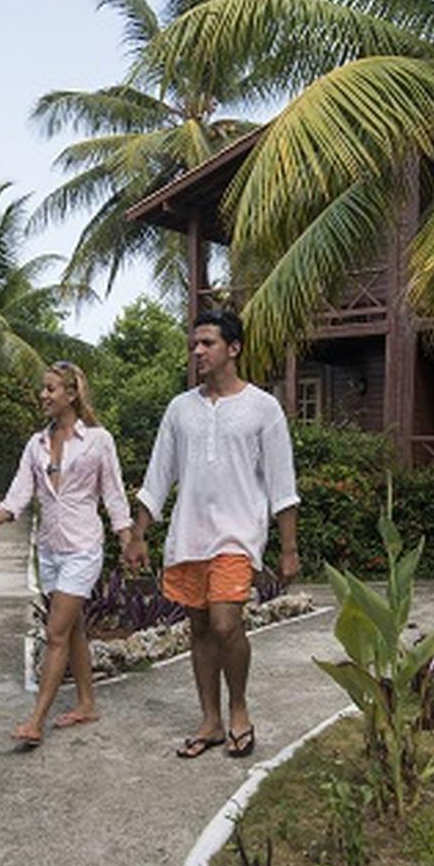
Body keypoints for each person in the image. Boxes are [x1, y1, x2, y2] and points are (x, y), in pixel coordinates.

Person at [121, 309, 299, 759]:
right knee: (199, 628)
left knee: (225, 623)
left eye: (207, 343)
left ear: (233, 349)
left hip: (238, 537)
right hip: (188, 536)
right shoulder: (181, 409)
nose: (197, 352)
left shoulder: (263, 408)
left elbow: (283, 485)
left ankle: (238, 710)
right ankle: (211, 721)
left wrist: (289, 549)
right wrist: (139, 534)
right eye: (194, 344)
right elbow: (158, 477)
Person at [0, 361, 132, 748]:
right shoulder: (36, 444)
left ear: (72, 394)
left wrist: (127, 539)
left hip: (83, 547)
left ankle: (35, 721)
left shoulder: (97, 440)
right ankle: (87, 703)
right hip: (50, 550)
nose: (43, 395)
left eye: (51, 389)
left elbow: (113, 493)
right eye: (43, 389)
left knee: (56, 632)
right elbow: (19, 494)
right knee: (73, 627)